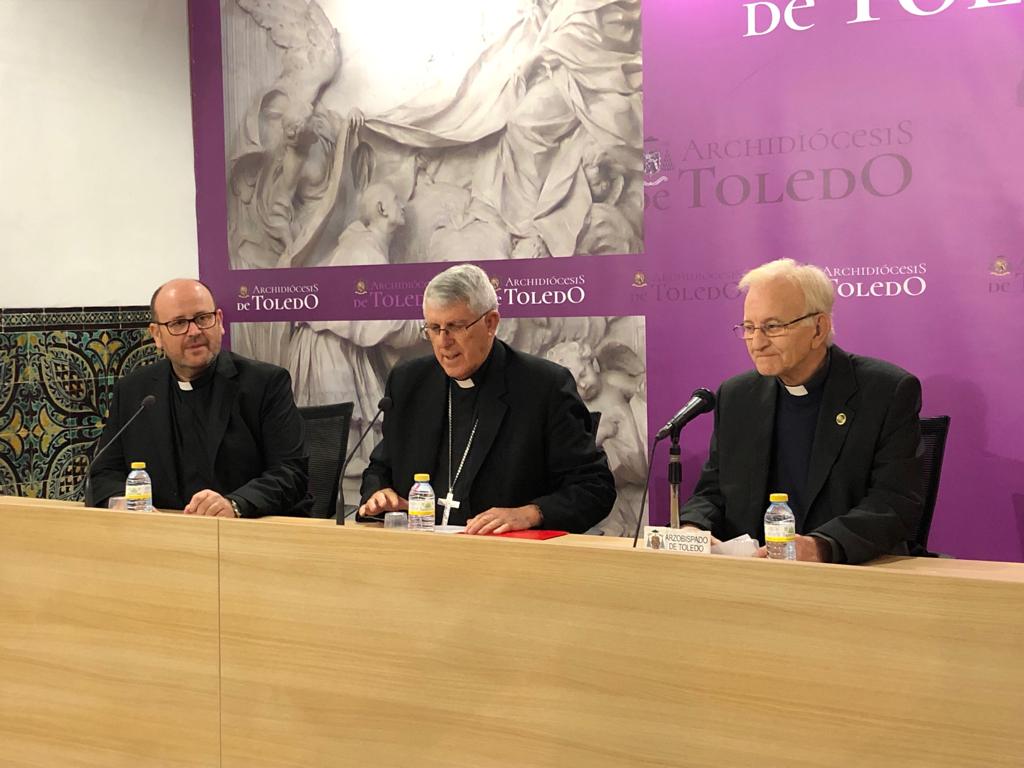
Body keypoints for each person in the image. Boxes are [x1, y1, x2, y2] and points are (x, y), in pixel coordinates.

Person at [679, 258, 923, 564]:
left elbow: (894, 503)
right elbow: (713, 490)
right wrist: (693, 526)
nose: (757, 342)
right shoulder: (737, 396)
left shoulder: (885, 391)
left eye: (772, 327)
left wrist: (820, 546)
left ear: (818, 328)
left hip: (849, 572)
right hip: (752, 576)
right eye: (749, 327)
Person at [358, 264, 615, 534]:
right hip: (418, 556)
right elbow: (380, 467)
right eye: (434, 328)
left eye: (455, 327)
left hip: (508, 561)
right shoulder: (409, 382)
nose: (443, 342)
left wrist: (532, 513)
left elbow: (594, 487)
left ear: (490, 323)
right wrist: (379, 492)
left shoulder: (543, 387)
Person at [87, 279, 311, 517]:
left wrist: (235, 504)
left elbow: (291, 472)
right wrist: (122, 502)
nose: (194, 332)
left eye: (203, 318)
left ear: (220, 321)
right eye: (179, 323)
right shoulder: (135, 391)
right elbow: (103, 473)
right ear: (157, 334)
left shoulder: (265, 383)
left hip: (245, 533)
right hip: (161, 535)